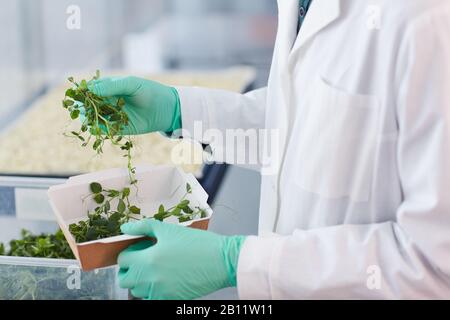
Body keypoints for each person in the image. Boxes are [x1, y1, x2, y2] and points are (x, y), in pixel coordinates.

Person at [89, 0, 450, 299]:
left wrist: (238, 262)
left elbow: (433, 267)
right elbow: (309, 119)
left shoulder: (427, 19)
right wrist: (182, 111)